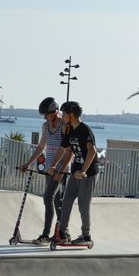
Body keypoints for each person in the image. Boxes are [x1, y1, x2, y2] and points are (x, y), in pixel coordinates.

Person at [19, 97, 69, 245]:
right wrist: (28, 163)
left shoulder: (64, 125)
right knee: (55, 199)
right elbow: (41, 146)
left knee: (48, 197)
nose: (45, 117)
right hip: (49, 168)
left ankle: (46, 235)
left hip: (60, 168)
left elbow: (67, 149)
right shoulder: (46, 126)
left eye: (46, 114)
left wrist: (62, 169)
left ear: (55, 112)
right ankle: (63, 233)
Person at [47, 101, 99, 245]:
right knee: (67, 201)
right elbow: (64, 149)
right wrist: (53, 166)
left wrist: (83, 171)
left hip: (88, 173)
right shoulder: (69, 130)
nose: (62, 116)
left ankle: (86, 236)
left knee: (83, 204)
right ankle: (63, 232)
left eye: (64, 113)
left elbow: (92, 151)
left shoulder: (84, 129)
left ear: (72, 115)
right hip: (76, 171)